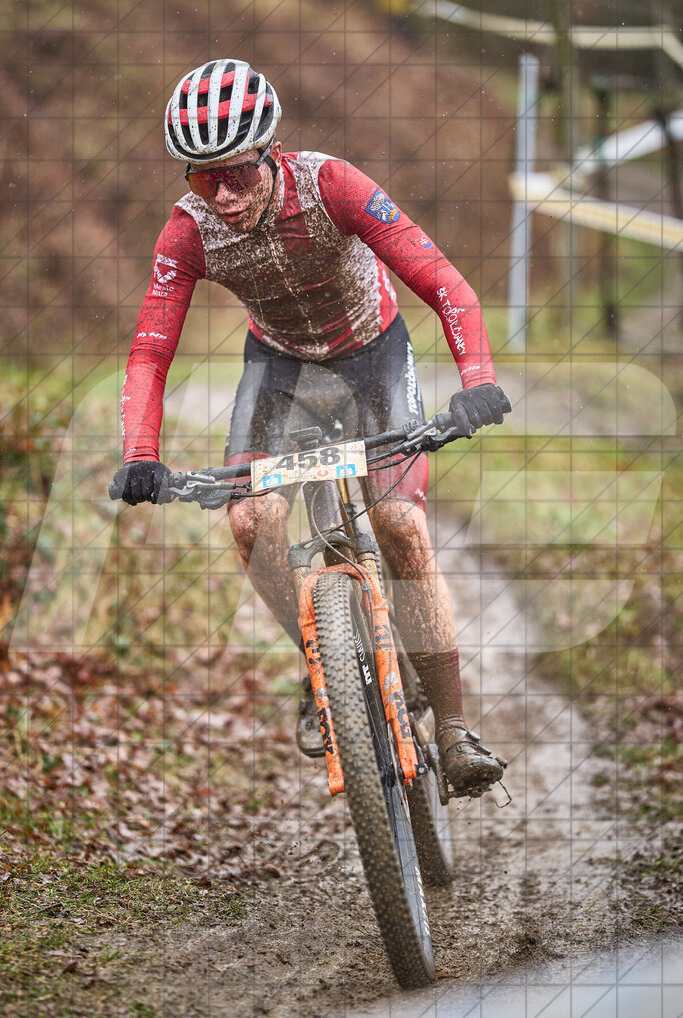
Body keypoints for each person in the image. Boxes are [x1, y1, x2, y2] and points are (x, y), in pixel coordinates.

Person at [114, 58, 510, 798]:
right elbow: (149, 351)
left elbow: (443, 284)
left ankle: (454, 730)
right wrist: (141, 453)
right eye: (203, 179)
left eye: (236, 173)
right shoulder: (188, 230)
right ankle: (318, 663)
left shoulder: (333, 186)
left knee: (398, 524)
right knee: (248, 520)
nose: (223, 196)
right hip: (281, 371)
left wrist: (478, 382)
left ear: (270, 154)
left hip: (374, 359)